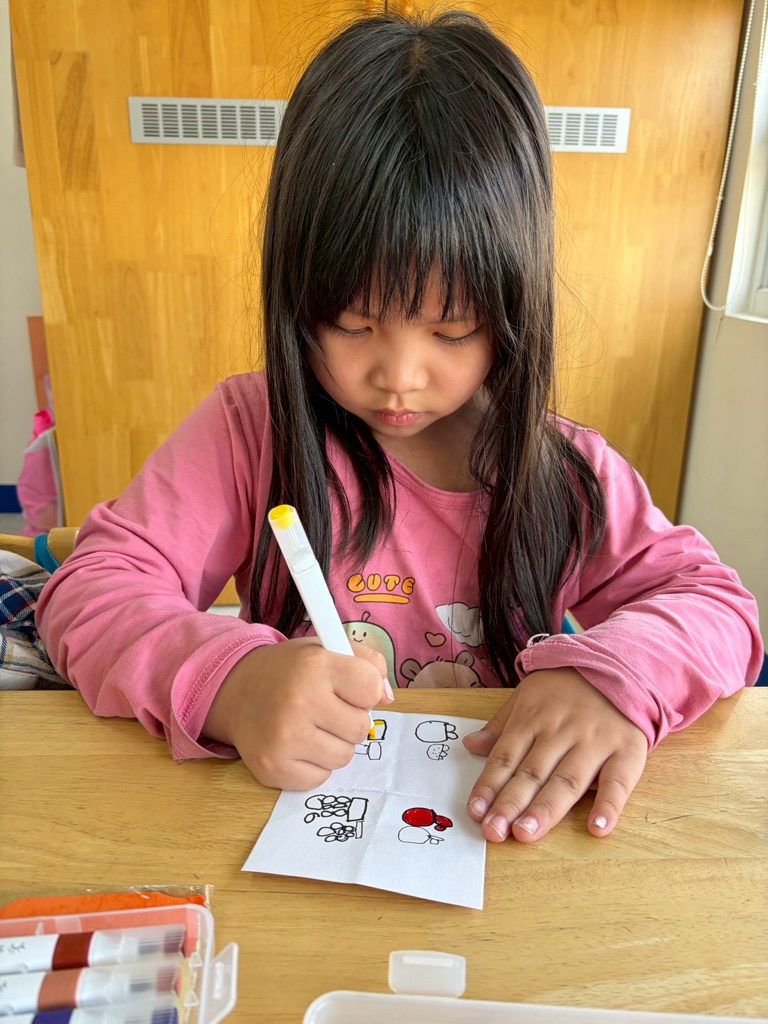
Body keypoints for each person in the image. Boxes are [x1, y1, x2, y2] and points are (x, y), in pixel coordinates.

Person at [37, 10, 762, 846]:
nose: (399, 376)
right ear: (295, 297)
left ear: (513, 311)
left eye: (451, 331)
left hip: (498, 843)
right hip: (290, 839)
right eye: (352, 323)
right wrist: (234, 680)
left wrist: (614, 676)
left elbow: (717, 605)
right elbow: (89, 591)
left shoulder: (562, 471)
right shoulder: (248, 430)